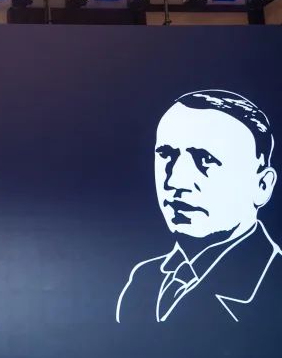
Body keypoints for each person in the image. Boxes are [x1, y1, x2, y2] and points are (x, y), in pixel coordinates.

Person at [116, 90, 280, 326]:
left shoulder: (273, 285)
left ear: (262, 185)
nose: (175, 181)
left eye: (205, 160)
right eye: (166, 155)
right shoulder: (143, 279)